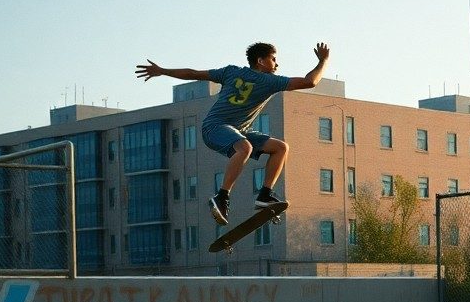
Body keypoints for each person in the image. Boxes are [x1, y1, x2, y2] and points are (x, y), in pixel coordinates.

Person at [136, 42, 330, 225]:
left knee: (280, 148)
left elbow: (193, 73)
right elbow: (310, 81)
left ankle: (264, 195)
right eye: (273, 59)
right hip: (215, 127)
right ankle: (222, 196)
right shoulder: (271, 81)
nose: (276, 64)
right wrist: (323, 61)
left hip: (238, 131)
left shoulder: (231, 71)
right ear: (260, 61)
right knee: (245, 147)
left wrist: (163, 71)